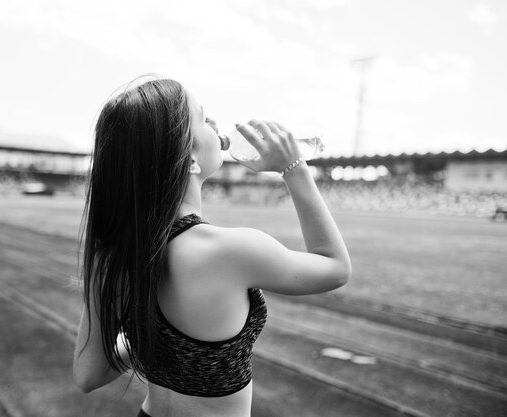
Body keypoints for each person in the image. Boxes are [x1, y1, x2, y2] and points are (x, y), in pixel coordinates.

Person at [73, 75, 351, 417]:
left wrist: (151, 337)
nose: (216, 125)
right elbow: (335, 267)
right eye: (203, 119)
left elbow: (89, 374)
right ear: (190, 158)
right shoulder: (232, 250)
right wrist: (294, 168)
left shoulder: (116, 251)